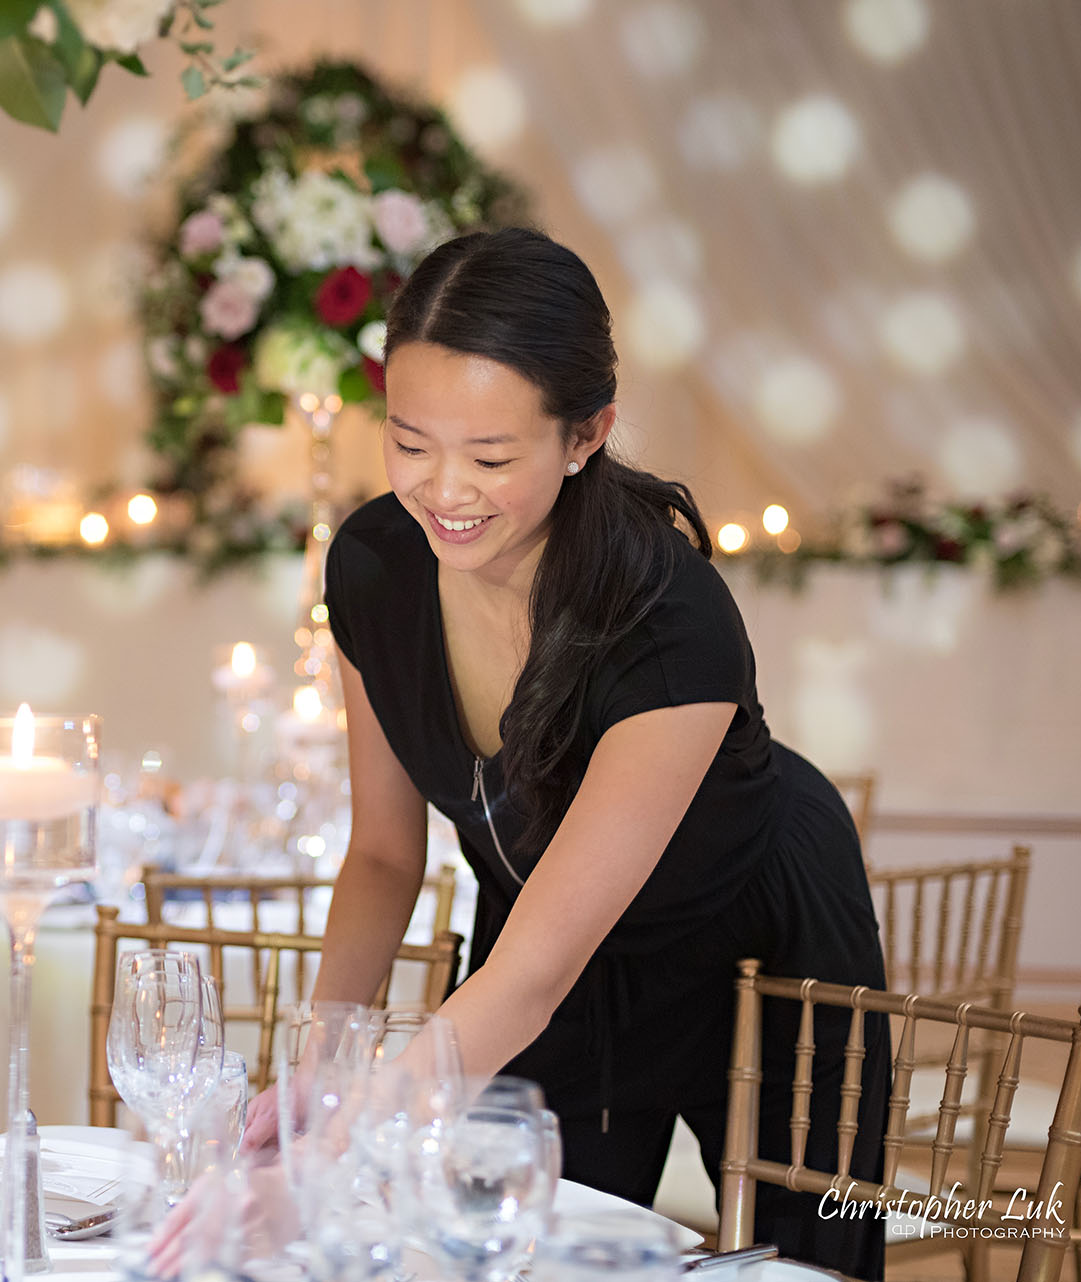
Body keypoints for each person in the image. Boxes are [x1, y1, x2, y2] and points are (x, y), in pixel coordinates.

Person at [241, 227, 891, 1278]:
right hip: (543, 934)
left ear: (586, 434)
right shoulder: (373, 568)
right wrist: (325, 1067)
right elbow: (382, 854)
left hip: (761, 944)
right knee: (512, 1247)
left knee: (791, 1266)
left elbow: (533, 973)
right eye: (410, 443)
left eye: (492, 457)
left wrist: (334, 1159)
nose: (444, 491)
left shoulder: (668, 620)